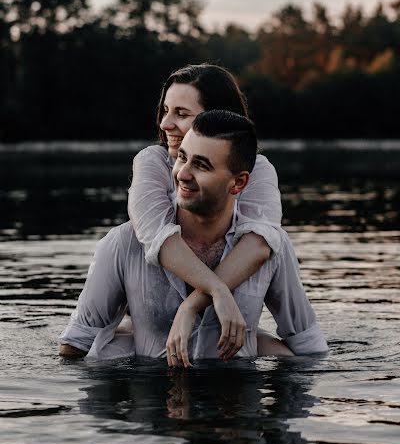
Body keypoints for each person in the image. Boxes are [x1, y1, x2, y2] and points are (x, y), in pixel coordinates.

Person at [59, 111, 328, 365]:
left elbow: (308, 347)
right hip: (154, 397)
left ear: (238, 183)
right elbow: (74, 347)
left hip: (238, 401)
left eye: (201, 165)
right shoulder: (123, 243)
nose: (183, 174)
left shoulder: (271, 248)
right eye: (182, 158)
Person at [127, 63, 284, 357]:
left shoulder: (257, 169)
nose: (165, 124)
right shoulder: (150, 161)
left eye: (181, 114)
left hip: (216, 320)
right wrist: (218, 291)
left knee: (284, 354)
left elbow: (262, 242)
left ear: (217, 119)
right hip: (154, 324)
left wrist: (194, 303)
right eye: (165, 110)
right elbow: (157, 238)